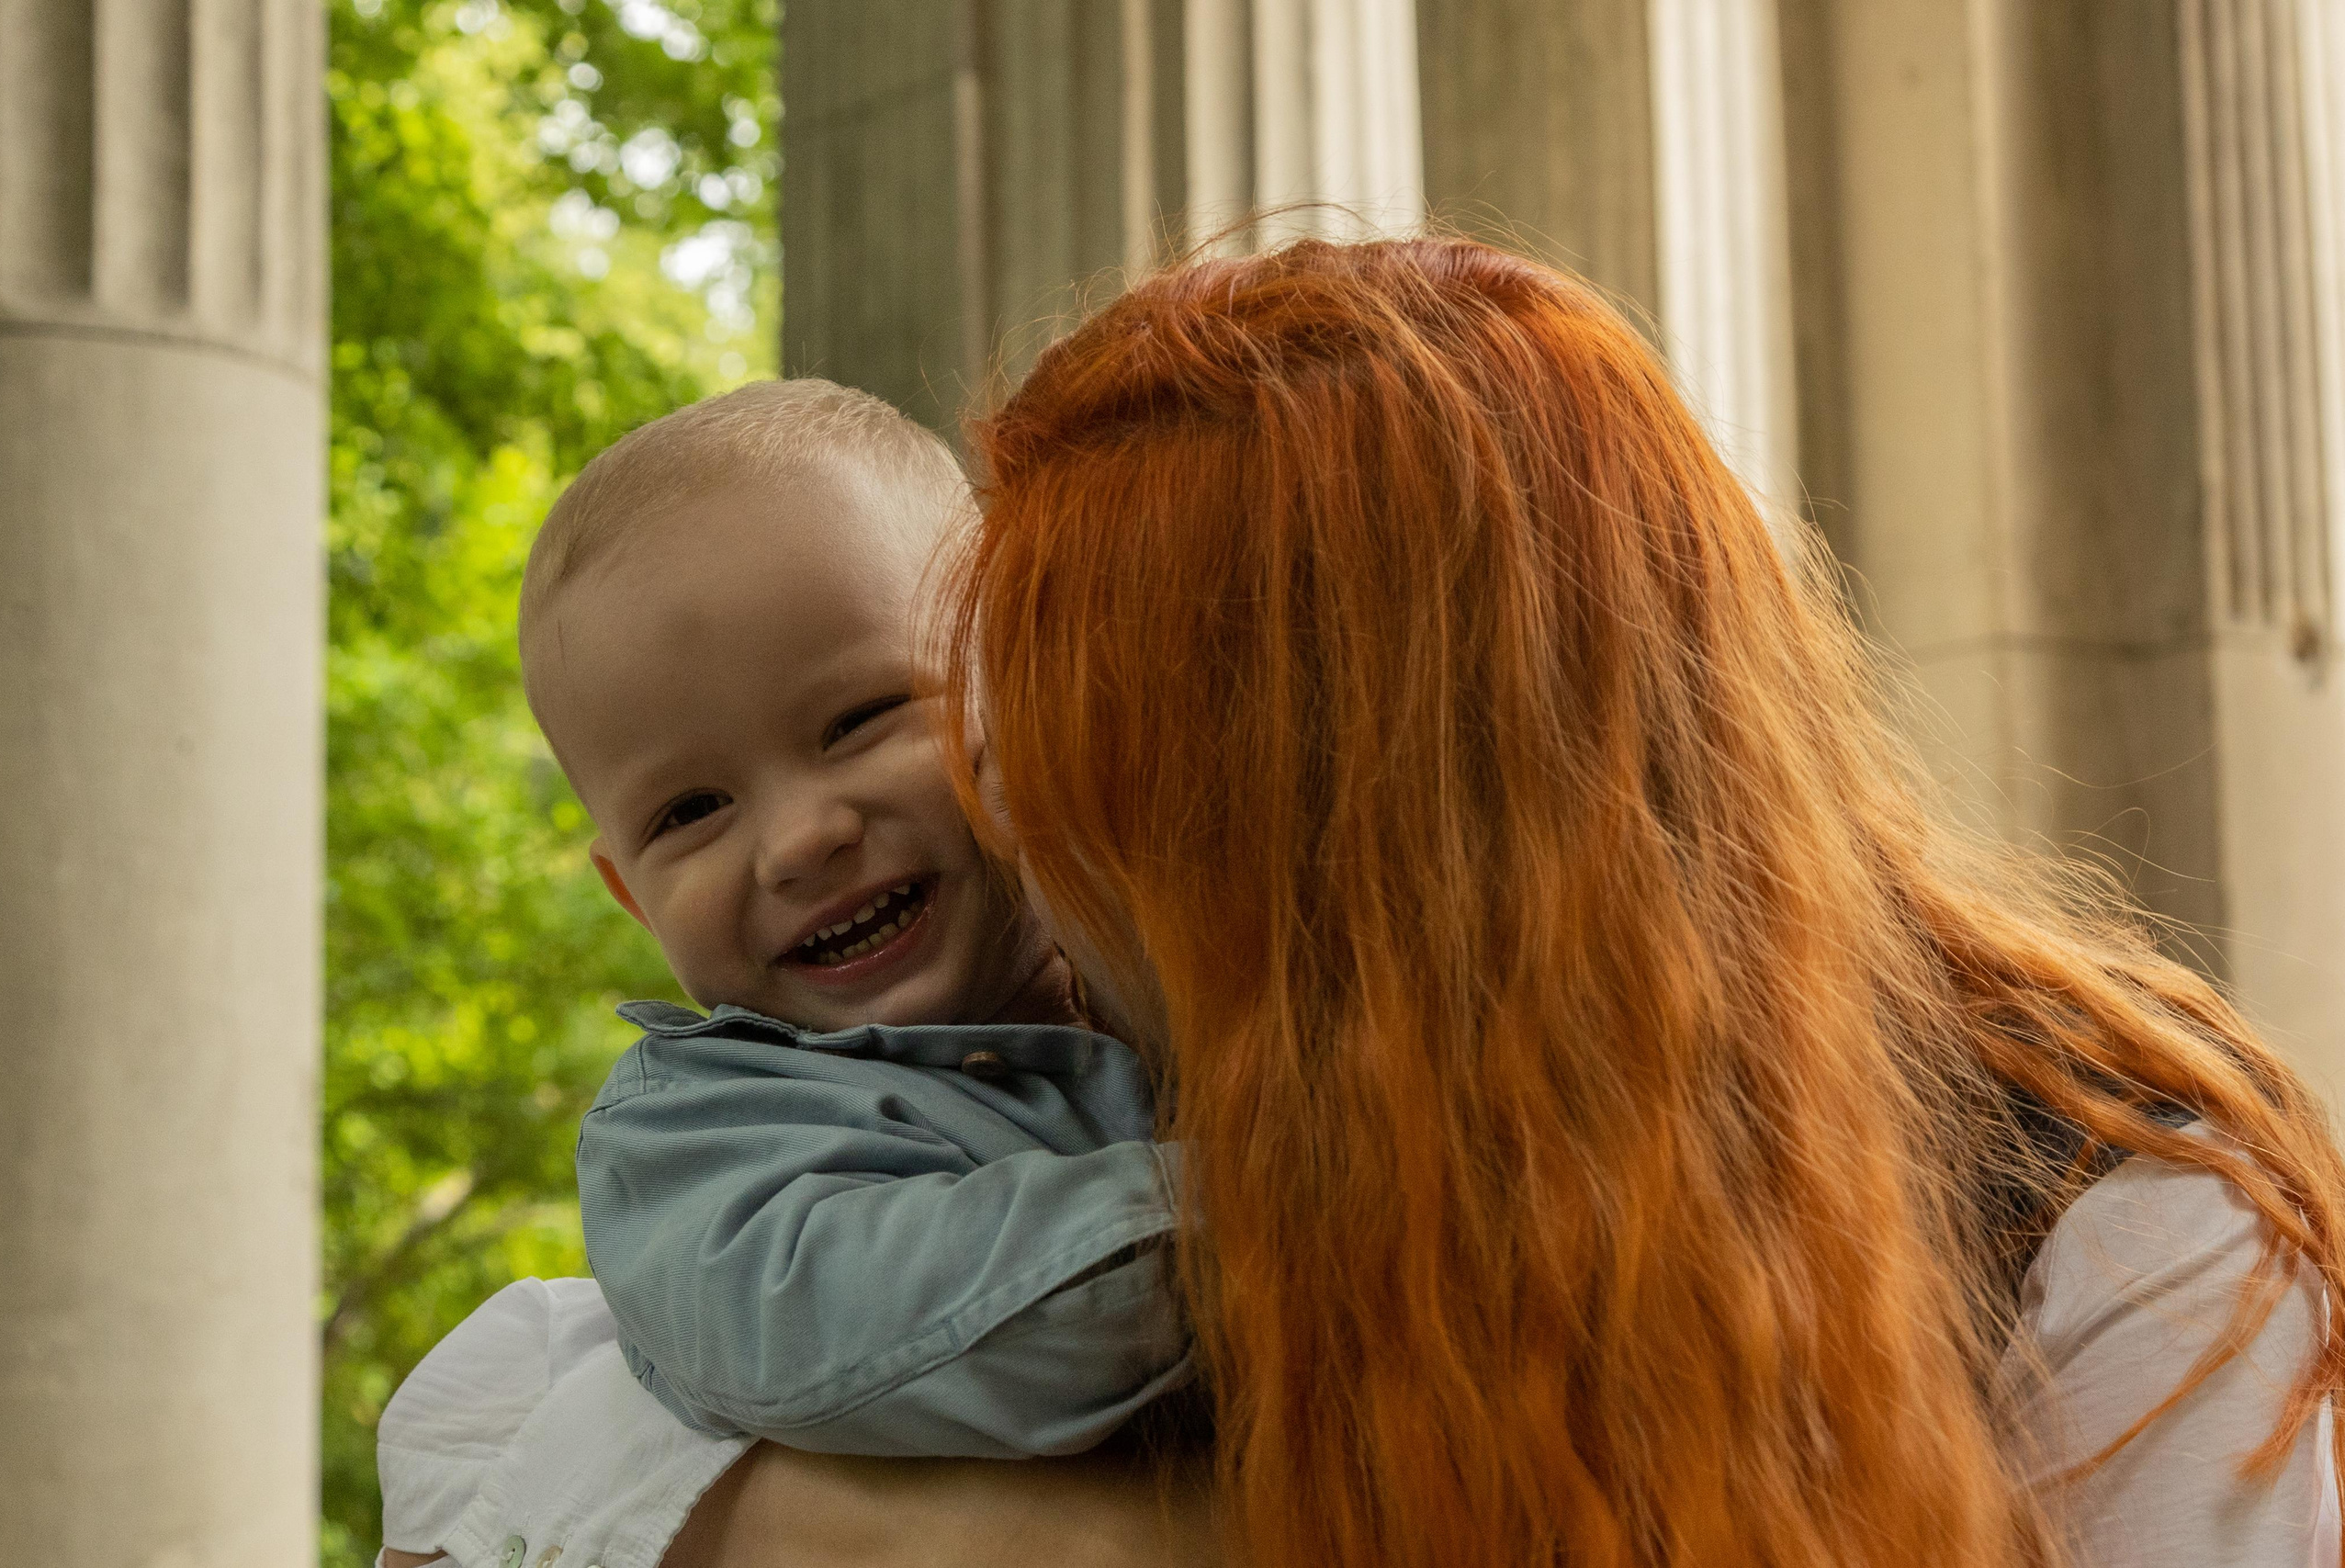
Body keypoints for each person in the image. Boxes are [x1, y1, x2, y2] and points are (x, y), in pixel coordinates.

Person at [928, 234, 2345, 1566]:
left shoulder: (2119, 1217)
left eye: (1050, 794)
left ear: (1313, 859)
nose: (1006, 867)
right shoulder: (1088, 1129)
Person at [377, 379, 1191, 1567]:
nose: (802, 838)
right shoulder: (701, 1136)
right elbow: (842, 1322)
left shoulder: (1165, 982)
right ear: (628, 893)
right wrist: (1269, 1230)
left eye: (858, 718)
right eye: (693, 810)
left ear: (1005, 698)